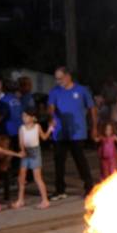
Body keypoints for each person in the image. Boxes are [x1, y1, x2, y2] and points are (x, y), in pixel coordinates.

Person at [47, 67, 96, 200]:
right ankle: (60, 190)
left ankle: (89, 188)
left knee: (80, 160)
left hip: (77, 132)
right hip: (60, 132)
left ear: (68, 76)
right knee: (59, 161)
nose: (58, 81)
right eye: (56, 79)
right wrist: (51, 117)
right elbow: (50, 107)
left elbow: (92, 109)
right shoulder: (54, 91)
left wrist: (94, 127)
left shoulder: (82, 90)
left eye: (60, 78)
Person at [12, 109, 54, 210]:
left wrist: (49, 129)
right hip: (26, 152)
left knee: (37, 178)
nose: (24, 118)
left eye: (26, 116)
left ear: (32, 118)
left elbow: (44, 137)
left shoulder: (37, 127)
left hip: (35, 152)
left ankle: (45, 200)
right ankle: (20, 200)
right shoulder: (22, 128)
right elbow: (21, 142)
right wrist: (22, 150)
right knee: (21, 178)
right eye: (23, 116)